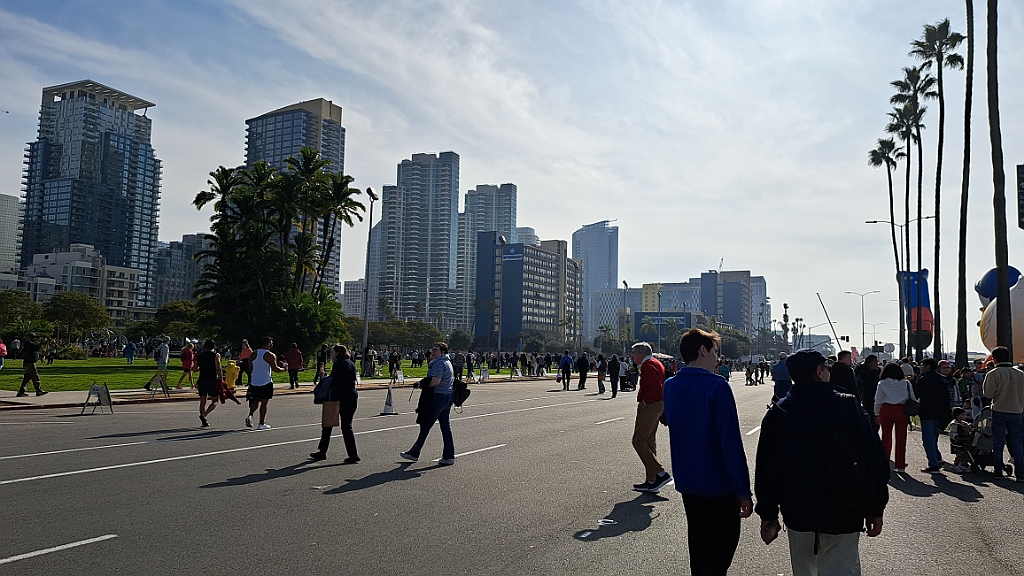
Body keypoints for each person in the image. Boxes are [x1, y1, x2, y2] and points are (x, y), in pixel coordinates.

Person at [755, 350, 889, 576]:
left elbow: (768, 469)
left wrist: (768, 513)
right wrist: (876, 506)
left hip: (798, 510)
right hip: (846, 508)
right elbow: (874, 458)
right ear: (819, 371)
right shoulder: (848, 406)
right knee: (843, 567)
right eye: (826, 367)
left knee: (805, 568)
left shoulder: (780, 412)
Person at [662, 330, 751, 576]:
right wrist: (743, 491)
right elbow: (730, 443)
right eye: (715, 352)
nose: (717, 358)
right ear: (703, 350)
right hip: (718, 485)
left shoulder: (670, 386)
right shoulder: (717, 386)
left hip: (688, 481)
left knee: (699, 548)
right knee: (720, 552)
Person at [400, 342, 455, 465]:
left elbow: (435, 381)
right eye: (432, 349)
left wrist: (422, 384)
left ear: (442, 352)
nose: (432, 352)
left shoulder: (439, 363)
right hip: (447, 395)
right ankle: (449, 455)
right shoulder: (447, 362)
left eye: (435, 350)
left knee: (426, 424)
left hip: (438, 396)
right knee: (445, 426)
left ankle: (414, 452)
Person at [629, 342, 671, 492]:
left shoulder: (648, 365)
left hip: (651, 404)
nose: (632, 356)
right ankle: (652, 480)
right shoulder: (655, 363)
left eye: (633, 353)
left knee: (638, 440)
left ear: (641, 353)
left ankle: (660, 473)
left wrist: (647, 402)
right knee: (648, 441)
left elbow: (653, 386)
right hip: (657, 404)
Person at [310, 345, 360, 463]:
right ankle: (353, 454)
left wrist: (323, 376)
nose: (331, 355)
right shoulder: (350, 363)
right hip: (351, 395)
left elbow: (334, 381)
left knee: (328, 425)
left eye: (333, 352)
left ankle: (322, 451)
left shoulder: (338, 364)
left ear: (337, 353)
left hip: (338, 396)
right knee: (347, 426)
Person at [982, 346, 1024, 481]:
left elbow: (988, 393)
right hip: (1017, 411)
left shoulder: (993, 374)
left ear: (994, 359)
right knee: (1017, 443)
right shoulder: (1020, 374)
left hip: (999, 410)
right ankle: (1021, 473)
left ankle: (998, 471)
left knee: (998, 442)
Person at [873, 362, 915, 472]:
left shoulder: (882, 383)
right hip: (901, 410)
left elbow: (878, 400)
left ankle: (884, 462)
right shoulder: (906, 383)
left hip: (887, 410)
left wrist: (876, 413)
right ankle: (900, 465)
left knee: (886, 437)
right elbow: (912, 398)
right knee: (901, 439)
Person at [915, 358, 951, 474]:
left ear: (928, 366)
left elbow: (917, 394)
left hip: (927, 412)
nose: (921, 367)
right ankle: (937, 457)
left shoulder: (924, 380)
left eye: (923, 365)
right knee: (933, 438)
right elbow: (946, 398)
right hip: (940, 413)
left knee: (928, 439)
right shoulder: (941, 380)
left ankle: (933, 464)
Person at [246, 336, 288, 430]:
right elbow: (275, 368)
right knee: (264, 403)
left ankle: (250, 415)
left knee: (255, 400)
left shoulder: (253, 353)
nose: (272, 345)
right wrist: (284, 369)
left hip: (254, 381)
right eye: (271, 343)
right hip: (266, 381)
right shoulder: (270, 355)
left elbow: (250, 367)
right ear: (268, 343)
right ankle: (261, 423)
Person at [195, 340, 223, 427]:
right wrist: (221, 378)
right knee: (215, 400)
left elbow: (194, 368)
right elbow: (218, 368)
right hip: (212, 379)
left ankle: (203, 419)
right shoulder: (215, 355)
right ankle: (204, 415)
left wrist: (202, 368)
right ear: (213, 346)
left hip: (202, 379)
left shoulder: (199, 355)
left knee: (203, 401)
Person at [855, 355, 882, 420]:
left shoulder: (878, 371)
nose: (877, 364)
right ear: (869, 363)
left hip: (877, 395)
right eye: (875, 362)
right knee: (868, 414)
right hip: (866, 396)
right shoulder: (862, 371)